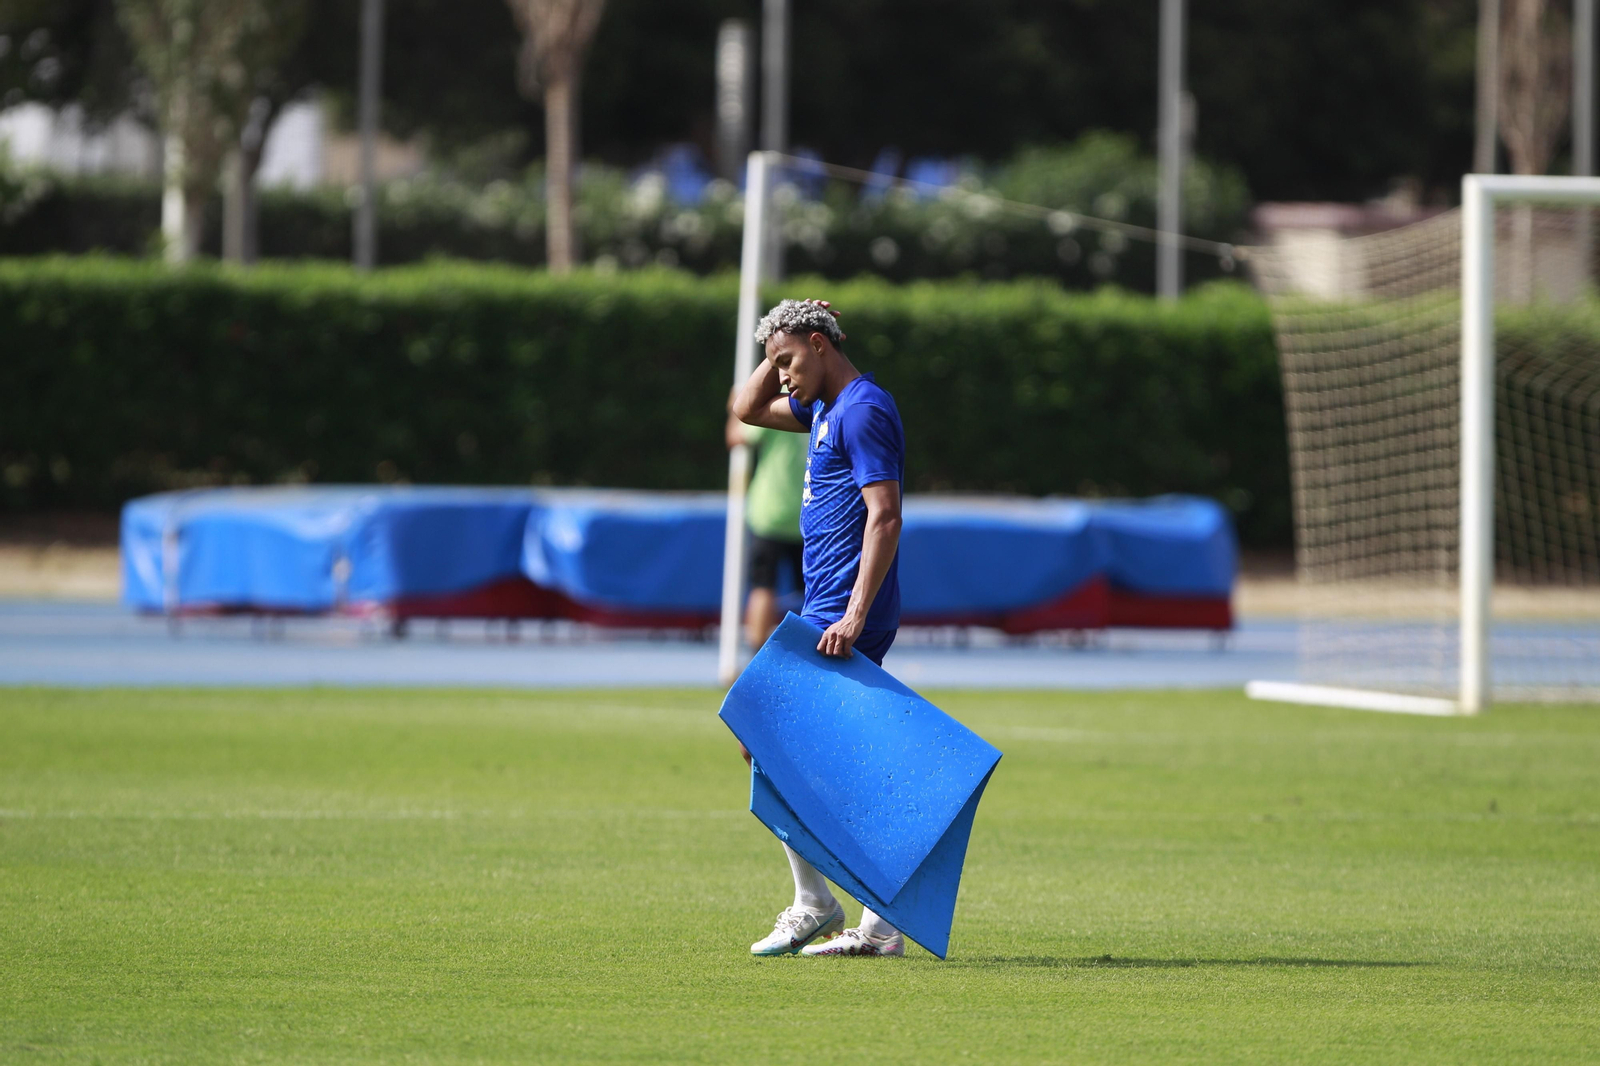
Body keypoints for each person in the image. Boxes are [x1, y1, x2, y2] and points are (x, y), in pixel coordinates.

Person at [731, 297, 907, 959]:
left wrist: (855, 614)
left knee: (766, 736)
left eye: (789, 360)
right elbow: (746, 412)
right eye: (776, 365)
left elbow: (883, 516)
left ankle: (826, 907)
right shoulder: (824, 407)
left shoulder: (862, 409)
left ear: (821, 342)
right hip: (824, 610)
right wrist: (773, 339)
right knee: (790, 748)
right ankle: (855, 916)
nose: (781, 376)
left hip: (841, 616)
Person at [725, 399, 807, 649]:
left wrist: (733, 409)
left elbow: (737, 436)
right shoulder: (821, 402)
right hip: (809, 510)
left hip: (770, 512)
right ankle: (815, 657)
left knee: (763, 586)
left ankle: (755, 657)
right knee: (814, 593)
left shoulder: (777, 404)